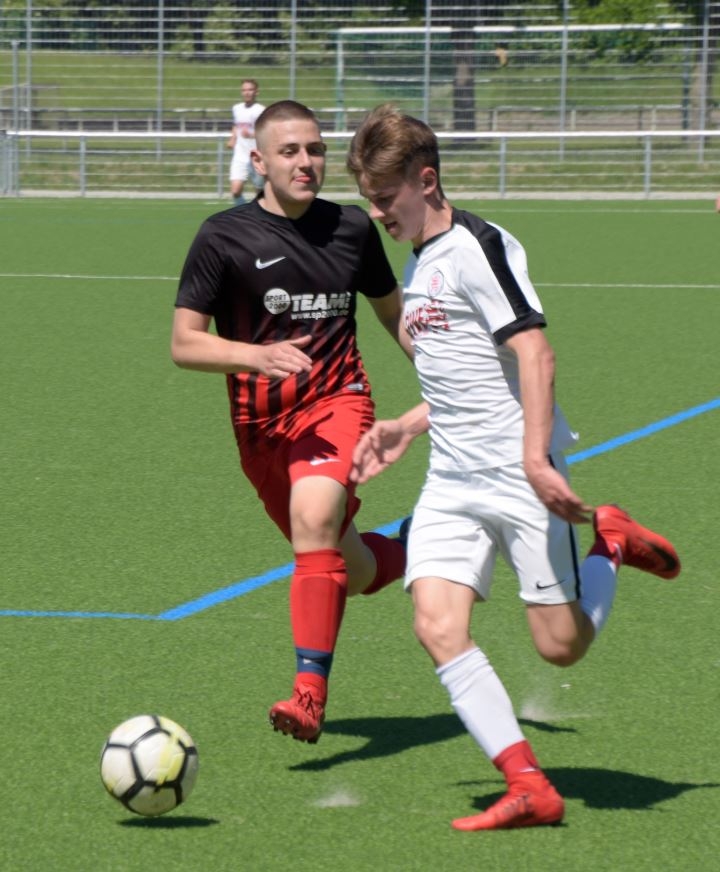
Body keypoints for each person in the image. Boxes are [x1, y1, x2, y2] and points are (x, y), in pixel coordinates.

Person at [346, 104, 681, 831]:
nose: (377, 213)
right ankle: (528, 784)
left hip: (516, 472)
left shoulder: (480, 246)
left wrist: (535, 459)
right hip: (451, 481)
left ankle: (611, 543)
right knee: (435, 623)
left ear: (426, 180)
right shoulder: (420, 260)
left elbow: (534, 352)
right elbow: (469, 375)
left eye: (385, 197)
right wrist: (406, 424)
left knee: (560, 647)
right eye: (369, 200)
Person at [172, 100, 413, 745]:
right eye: (289, 152)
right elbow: (184, 343)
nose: (306, 162)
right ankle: (425, 545)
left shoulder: (352, 228)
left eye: (315, 149)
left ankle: (309, 695)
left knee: (314, 518)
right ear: (259, 161)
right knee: (350, 569)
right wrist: (254, 356)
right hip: (260, 432)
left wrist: (449, 374)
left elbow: (394, 314)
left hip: (338, 403)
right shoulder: (222, 237)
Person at [226, 79, 265, 205]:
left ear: (256, 92)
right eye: (244, 90)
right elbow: (236, 125)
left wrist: (251, 135)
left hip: (256, 156)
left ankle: (260, 214)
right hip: (240, 155)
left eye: (250, 90)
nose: (247, 93)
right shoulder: (237, 108)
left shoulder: (261, 110)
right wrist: (233, 139)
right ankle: (244, 212)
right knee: (235, 191)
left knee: (260, 193)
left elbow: (266, 132)